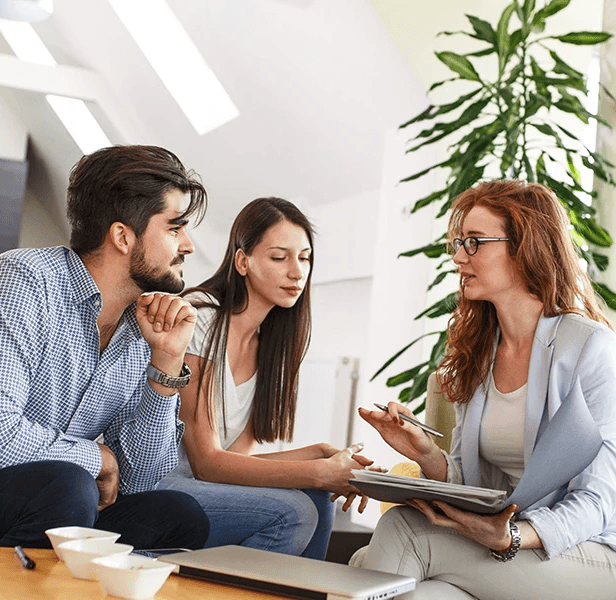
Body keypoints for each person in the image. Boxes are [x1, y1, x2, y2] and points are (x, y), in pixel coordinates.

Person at [356, 180, 616, 599]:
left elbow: (598, 502)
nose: (459, 257)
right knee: (414, 593)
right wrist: (425, 453)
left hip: (582, 552)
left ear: (524, 247)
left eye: (475, 242)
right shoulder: (480, 350)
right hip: (504, 550)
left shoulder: (590, 348)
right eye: (459, 242)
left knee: (400, 531)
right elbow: (474, 483)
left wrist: (512, 537)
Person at [0, 145, 211, 551]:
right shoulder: (25, 281)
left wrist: (165, 364)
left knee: (179, 515)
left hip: (63, 499)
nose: (188, 246)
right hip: (35, 489)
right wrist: (97, 458)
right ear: (122, 236)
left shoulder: (142, 326)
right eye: (174, 228)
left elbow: (136, 481)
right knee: (69, 486)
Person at [159, 197, 378, 559]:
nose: (297, 272)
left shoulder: (269, 345)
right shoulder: (200, 319)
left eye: (304, 257)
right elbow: (208, 464)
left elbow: (237, 463)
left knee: (318, 499)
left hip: (204, 484)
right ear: (243, 261)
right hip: (160, 483)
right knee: (299, 509)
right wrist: (318, 472)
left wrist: (323, 457)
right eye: (280, 257)